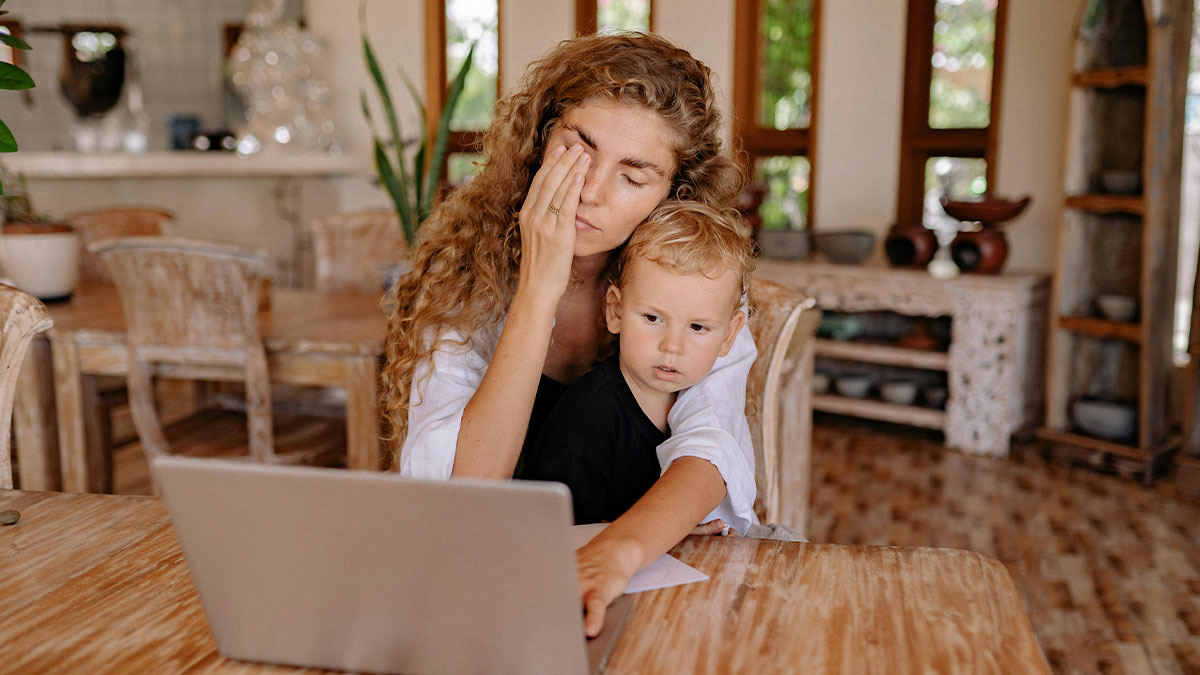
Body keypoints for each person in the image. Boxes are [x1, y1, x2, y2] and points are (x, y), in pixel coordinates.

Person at [380, 32, 757, 637]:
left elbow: (711, 449)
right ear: (539, 140)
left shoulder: (692, 287)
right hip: (490, 574)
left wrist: (620, 553)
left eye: (633, 177)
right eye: (577, 151)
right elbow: (460, 489)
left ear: (672, 195)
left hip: (637, 567)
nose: (589, 190)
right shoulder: (459, 275)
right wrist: (538, 286)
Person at [520, 201, 752, 526]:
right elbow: (553, 534)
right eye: (653, 318)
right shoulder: (587, 420)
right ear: (615, 312)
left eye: (697, 327)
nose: (672, 346)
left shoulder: (699, 405)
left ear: (729, 335)